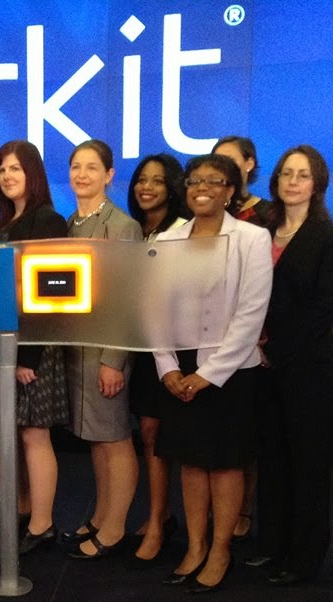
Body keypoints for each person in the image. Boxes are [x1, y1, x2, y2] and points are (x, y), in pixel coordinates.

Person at [155, 154, 272, 593]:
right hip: (180, 368)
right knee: (191, 463)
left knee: (224, 465)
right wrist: (167, 366)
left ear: (230, 190)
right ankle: (195, 546)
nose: (202, 187)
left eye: (213, 180)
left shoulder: (252, 238)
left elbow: (251, 313)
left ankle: (220, 550)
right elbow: (154, 308)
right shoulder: (169, 238)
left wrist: (209, 374)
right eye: (194, 180)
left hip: (231, 372)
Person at [246, 146, 333, 585]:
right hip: (261, 362)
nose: (292, 181)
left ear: (317, 184)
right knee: (272, 456)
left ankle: (305, 556)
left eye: (302, 175)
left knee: (306, 461)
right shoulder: (261, 233)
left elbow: (328, 305)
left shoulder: (331, 237)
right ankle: (272, 544)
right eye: (286, 173)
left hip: (307, 364)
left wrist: (277, 347)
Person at [60, 140, 143, 560]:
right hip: (77, 350)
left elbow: (128, 300)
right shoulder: (69, 225)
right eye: (76, 166)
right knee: (96, 438)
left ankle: (114, 528)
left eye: (92, 167)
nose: (82, 174)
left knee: (115, 438)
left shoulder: (123, 227)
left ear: (109, 175)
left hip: (106, 353)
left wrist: (113, 360)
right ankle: (101, 516)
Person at [0, 140, 69, 554]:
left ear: (33, 173)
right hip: (7, 345)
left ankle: (42, 525)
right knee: (17, 434)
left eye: (16, 168)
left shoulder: (47, 220)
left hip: (34, 346)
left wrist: (29, 356)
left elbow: (50, 292)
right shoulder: (2, 226)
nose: (7, 176)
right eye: (2, 169)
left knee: (36, 435)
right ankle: (22, 513)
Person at [125, 153, 190, 567]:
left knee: (161, 435)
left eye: (157, 181)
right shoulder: (134, 231)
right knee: (149, 435)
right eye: (141, 180)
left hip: (173, 347)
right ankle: (159, 515)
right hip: (139, 345)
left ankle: (160, 523)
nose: (146, 187)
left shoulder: (183, 230)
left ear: (173, 187)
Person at [212, 136, 273, 541]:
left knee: (247, 437)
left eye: (231, 162)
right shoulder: (203, 215)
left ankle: (244, 508)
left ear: (249, 165)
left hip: (258, 340)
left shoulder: (265, 216)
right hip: (209, 342)